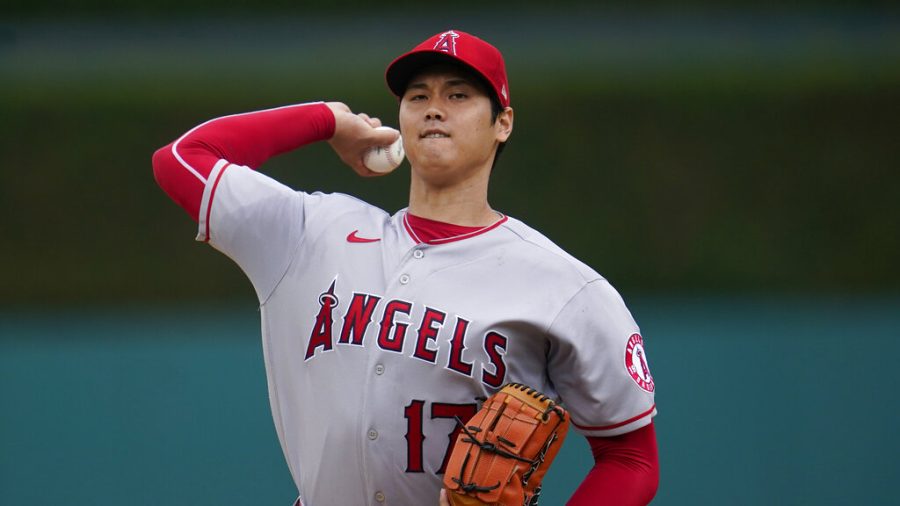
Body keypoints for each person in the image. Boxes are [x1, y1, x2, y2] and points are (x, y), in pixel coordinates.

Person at [153, 29, 659, 506]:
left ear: (502, 122)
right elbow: (181, 159)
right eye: (418, 96)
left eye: (459, 95)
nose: (434, 108)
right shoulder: (313, 231)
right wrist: (327, 119)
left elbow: (631, 457)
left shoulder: (565, 286)